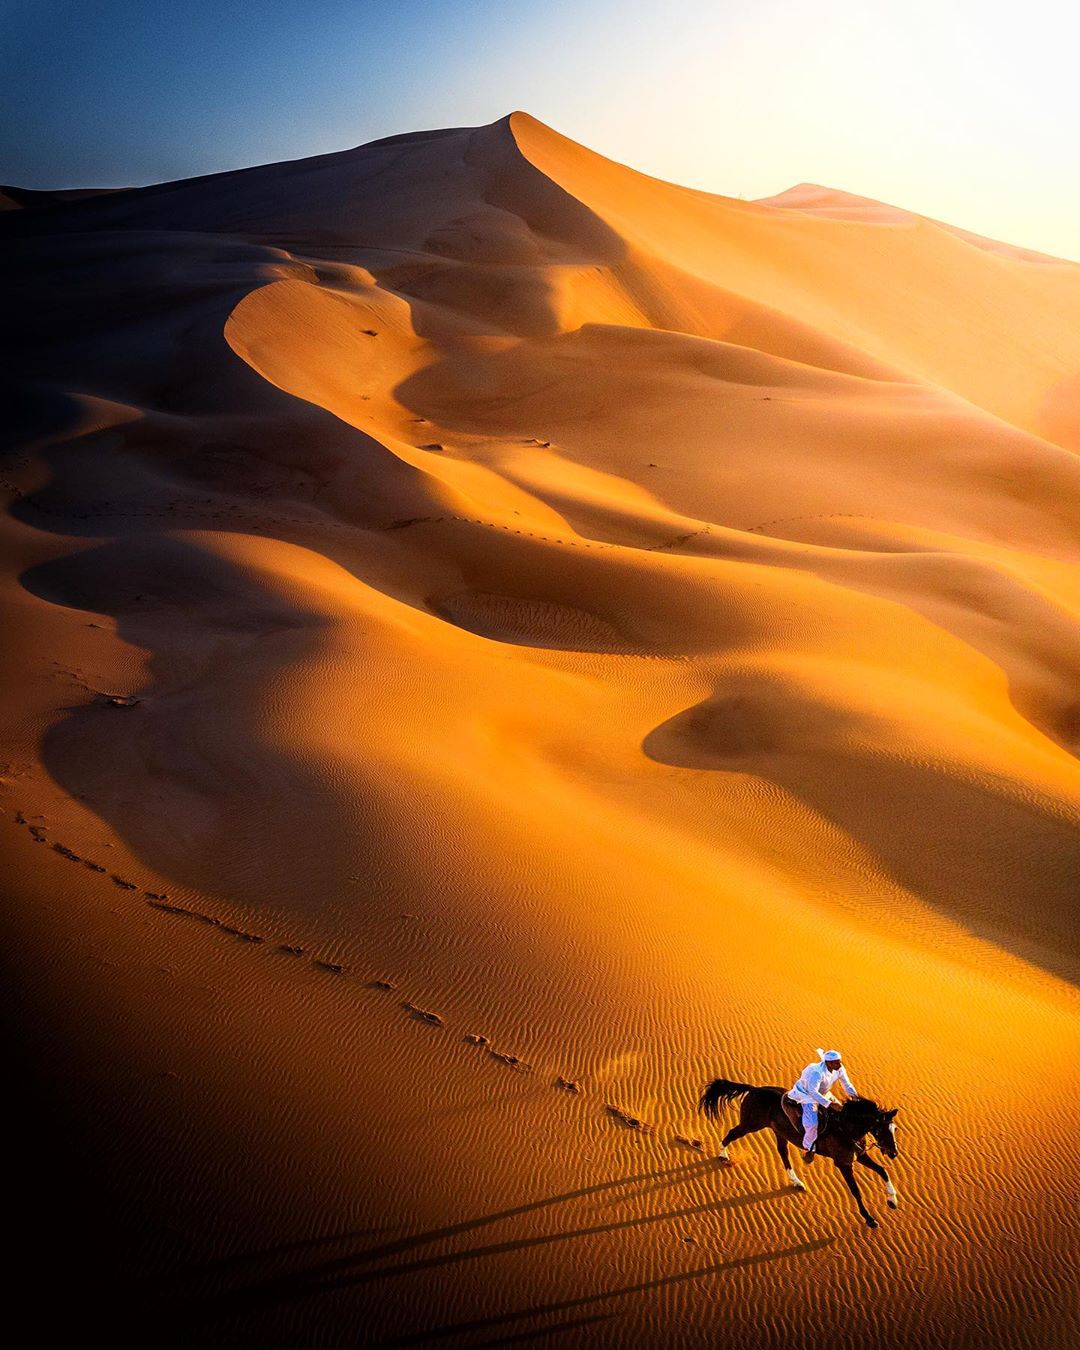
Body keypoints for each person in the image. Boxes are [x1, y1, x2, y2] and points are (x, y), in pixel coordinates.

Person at [787, 1049, 859, 1160]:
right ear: (828, 1063)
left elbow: (846, 1084)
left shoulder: (839, 1068)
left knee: (843, 1114)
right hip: (807, 1095)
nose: (840, 1064)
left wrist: (856, 1098)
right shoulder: (817, 1073)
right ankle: (809, 1148)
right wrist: (829, 1104)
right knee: (812, 1124)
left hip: (824, 1093)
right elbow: (813, 1091)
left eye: (840, 1061)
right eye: (836, 1062)